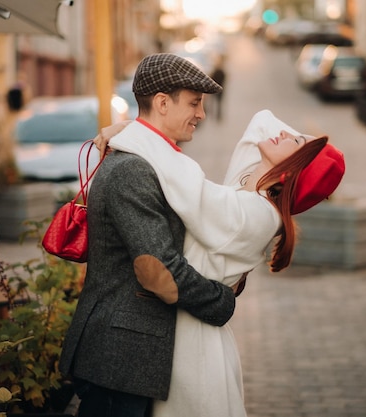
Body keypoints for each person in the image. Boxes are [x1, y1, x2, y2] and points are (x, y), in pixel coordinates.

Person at [96, 109, 345, 416]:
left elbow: (182, 177)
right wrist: (136, 130)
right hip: (184, 327)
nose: (282, 133)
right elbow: (262, 120)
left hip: (193, 345)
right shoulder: (244, 193)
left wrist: (132, 130)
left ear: (291, 171)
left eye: (294, 140)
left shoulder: (256, 214)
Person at [58, 53, 243, 417]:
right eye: (194, 103)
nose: (201, 114)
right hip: (120, 358)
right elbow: (158, 267)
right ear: (161, 103)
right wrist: (221, 300)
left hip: (129, 358)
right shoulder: (133, 170)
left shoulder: (146, 160)